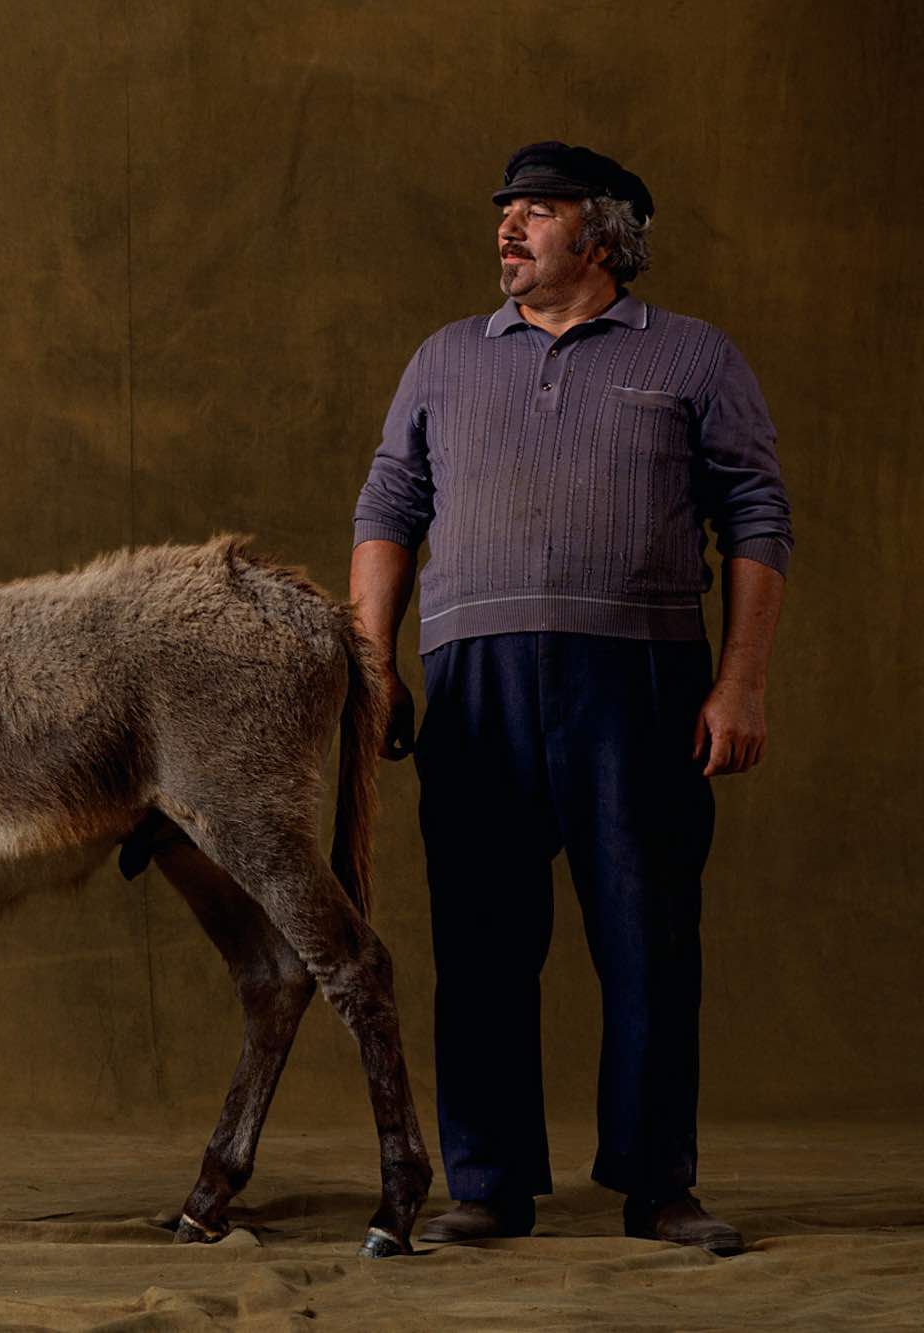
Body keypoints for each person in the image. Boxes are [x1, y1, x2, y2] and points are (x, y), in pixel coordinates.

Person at [349, 142, 791, 1256]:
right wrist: (370, 663)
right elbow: (387, 507)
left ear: (599, 236)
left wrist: (738, 682)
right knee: (480, 939)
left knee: (647, 935)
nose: (505, 228)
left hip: (635, 680)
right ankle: (486, 1183)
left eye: (534, 213)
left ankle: (657, 1186)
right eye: (503, 211)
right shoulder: (443, 359)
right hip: (474, 680)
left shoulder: (690, 356)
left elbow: (755, 519)